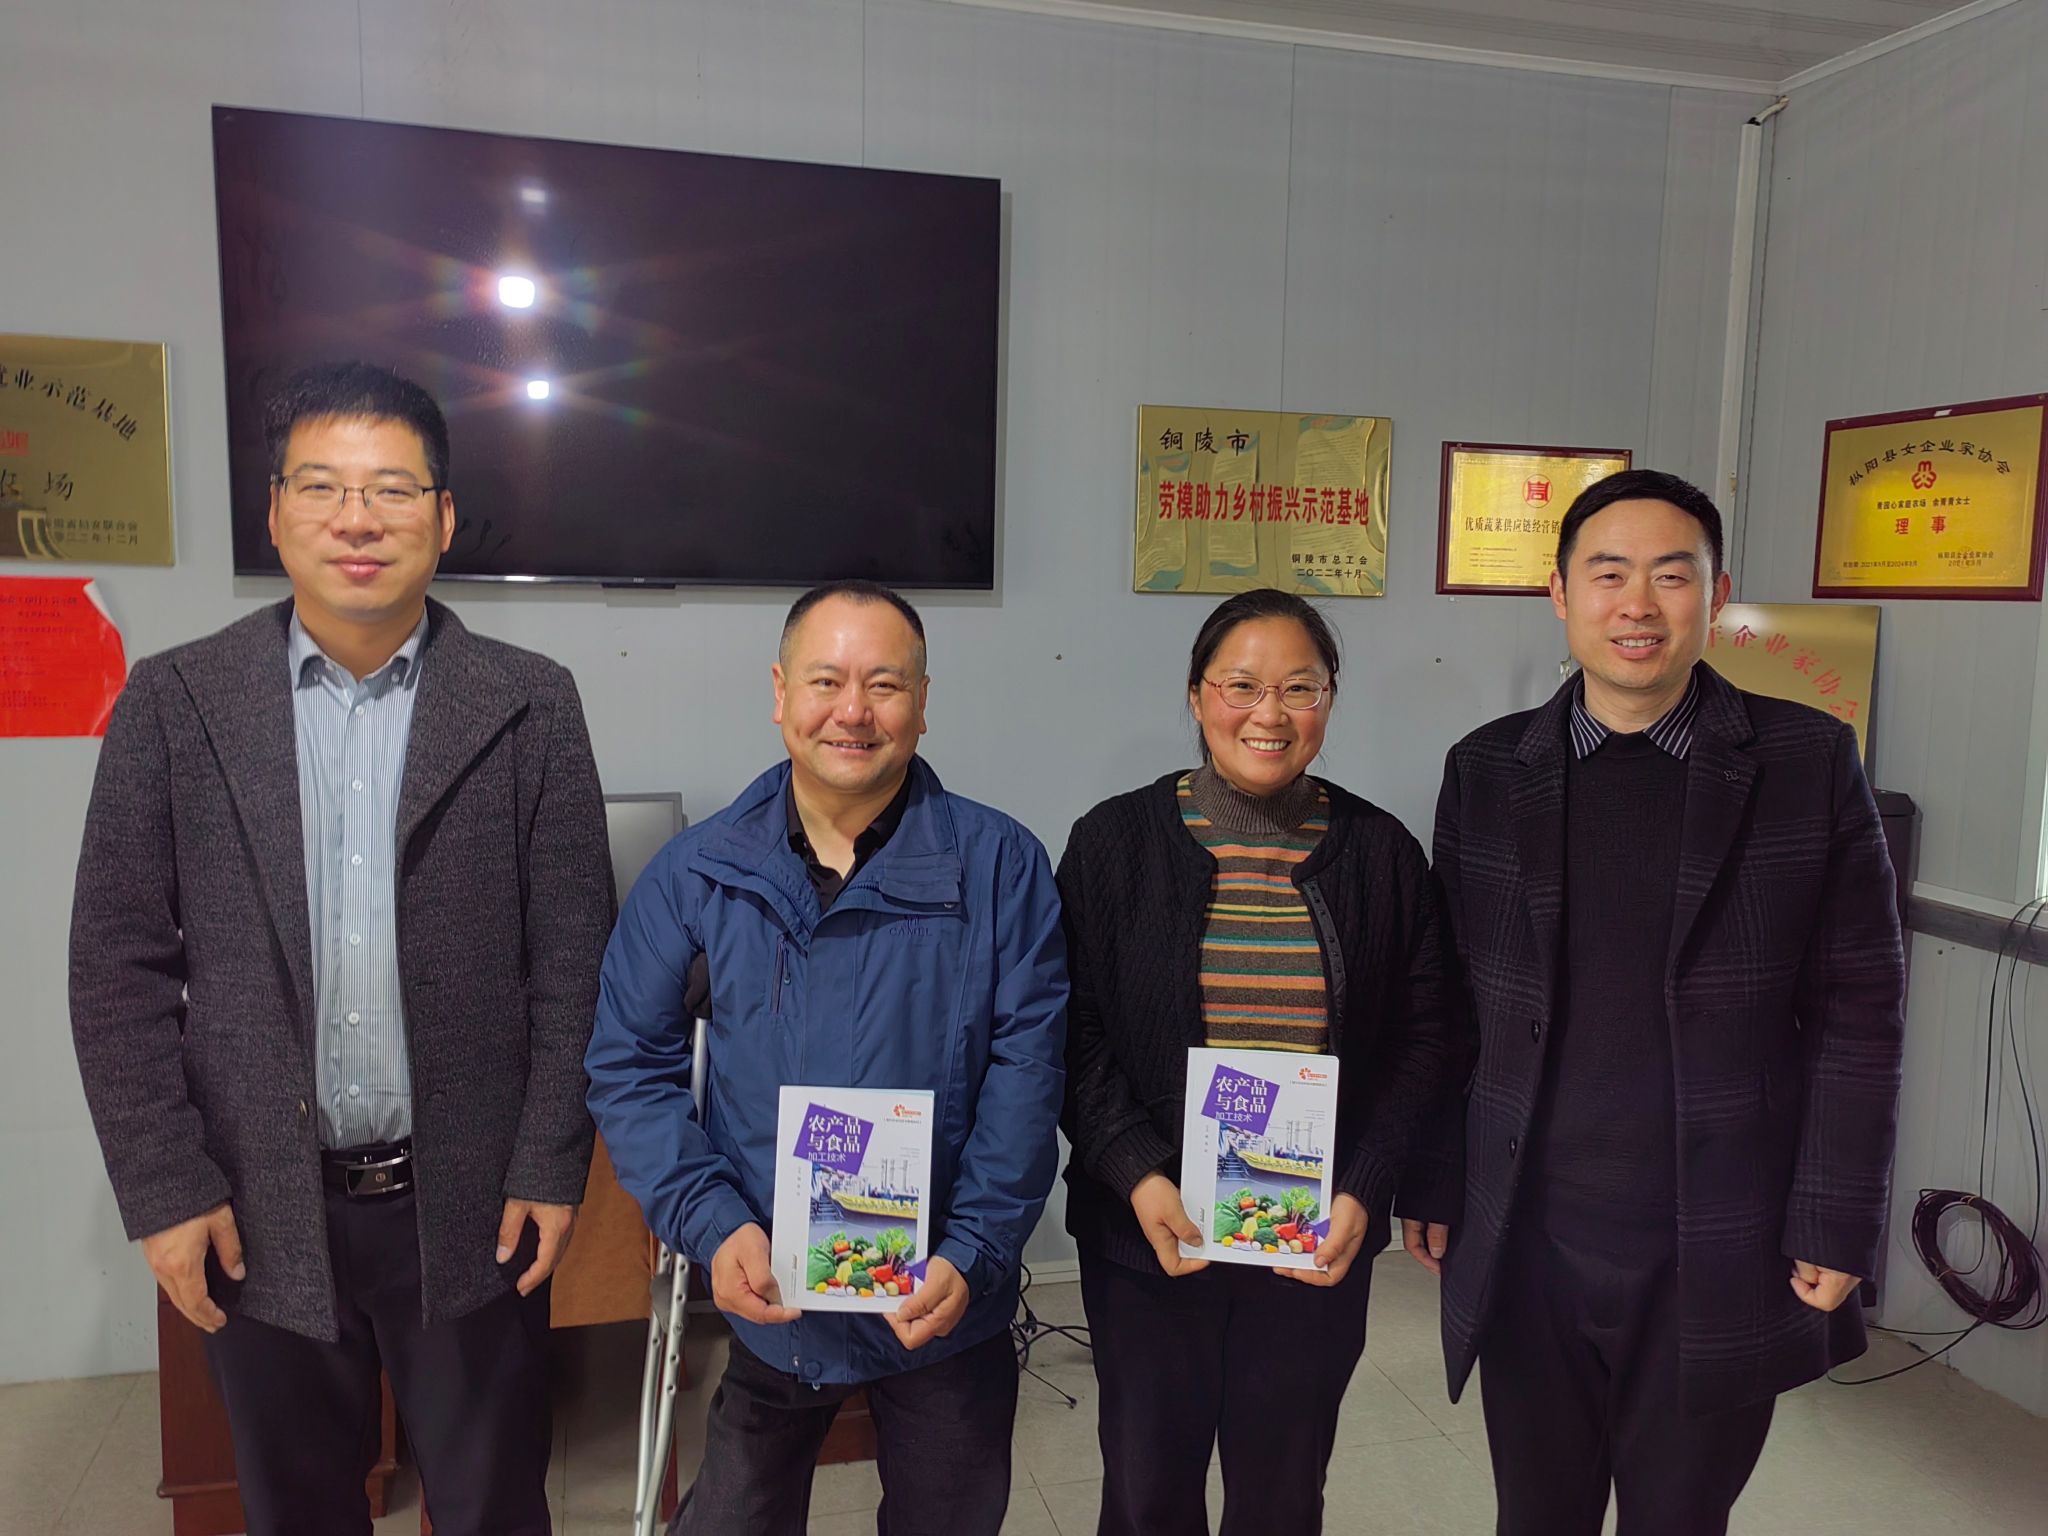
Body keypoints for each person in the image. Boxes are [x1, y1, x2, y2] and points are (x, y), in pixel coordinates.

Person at [69, 361, 615, 1536]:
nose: (356, 519)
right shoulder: (175, 701)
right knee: (299, 1511)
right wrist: (165, 1189)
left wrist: (546, 1161)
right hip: (256, 1205)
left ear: (444, 518)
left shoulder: (529, 702)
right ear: (274, 513)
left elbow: (575, 955)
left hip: (470, 1201)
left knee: (492, 1508)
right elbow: (115, 965)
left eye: (392, 490)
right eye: (321, 487)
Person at [1398, 469, 1907, 1535]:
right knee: (1535, 1514)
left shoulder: (1806, 760)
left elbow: (1859, 1011)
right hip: (1528, 1237)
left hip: (1716, 1237)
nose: (1638, 605)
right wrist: (1434, 1178)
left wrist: (1834, 1216)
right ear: (1559, 594)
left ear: (1714, 596)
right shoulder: (1487, 768)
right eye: (1608, 574)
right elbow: (1451, 1003)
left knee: (1679, 1517)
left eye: (1671, 577)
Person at [585, 579, 1068, 1536]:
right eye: (826, 681)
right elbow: (628, 1064)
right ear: (780, 693)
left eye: (884, 684)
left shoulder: (1001, 866)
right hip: (769, 1290)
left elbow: (1028, 1073)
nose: (853, 711)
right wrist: (713, 1225)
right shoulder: (697, 872)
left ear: (922, 702)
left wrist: (974, 1252)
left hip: (944, 1300)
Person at [1057, 588, 1453, 1535]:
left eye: (1299, 688)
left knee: (1282, 1496)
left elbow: (1428, 1035)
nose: (1269, 713)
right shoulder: (1114, 844)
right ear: (1199, 695)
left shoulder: (1383, 855)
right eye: (1241, 685)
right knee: (1147, 1496)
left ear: (1328, 700)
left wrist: (1366, 1184)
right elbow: (1071, 1029)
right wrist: (1136, 1171)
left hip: (1312, 1244)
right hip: (1147, 1240)